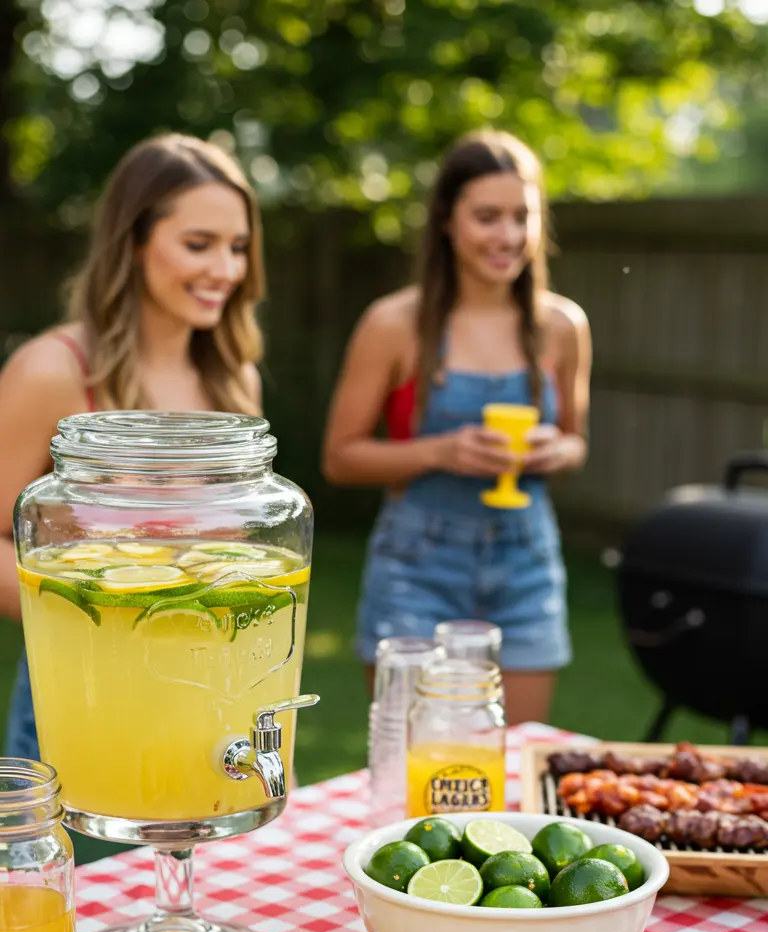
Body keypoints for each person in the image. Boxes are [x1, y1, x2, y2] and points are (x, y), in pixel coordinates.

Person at [0, 132, 265, 759]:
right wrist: (99, 604)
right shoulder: (53, 370)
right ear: (134, 242)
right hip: (82, 695)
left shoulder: (235, 380)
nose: (224, 270)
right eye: (198, 245)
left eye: (238, 248)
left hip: (215, 692)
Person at [322, 129, 592, 724]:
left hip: (527, 559)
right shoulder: (395, 324)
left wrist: (556, 449)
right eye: (487, 217)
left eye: (522, 216)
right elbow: (340, 457)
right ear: (447, 220)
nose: (508, 236)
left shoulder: (561, 326)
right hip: (417, 564)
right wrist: (441, 450)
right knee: (410, 758)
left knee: (510, 758)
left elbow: (577, 442)